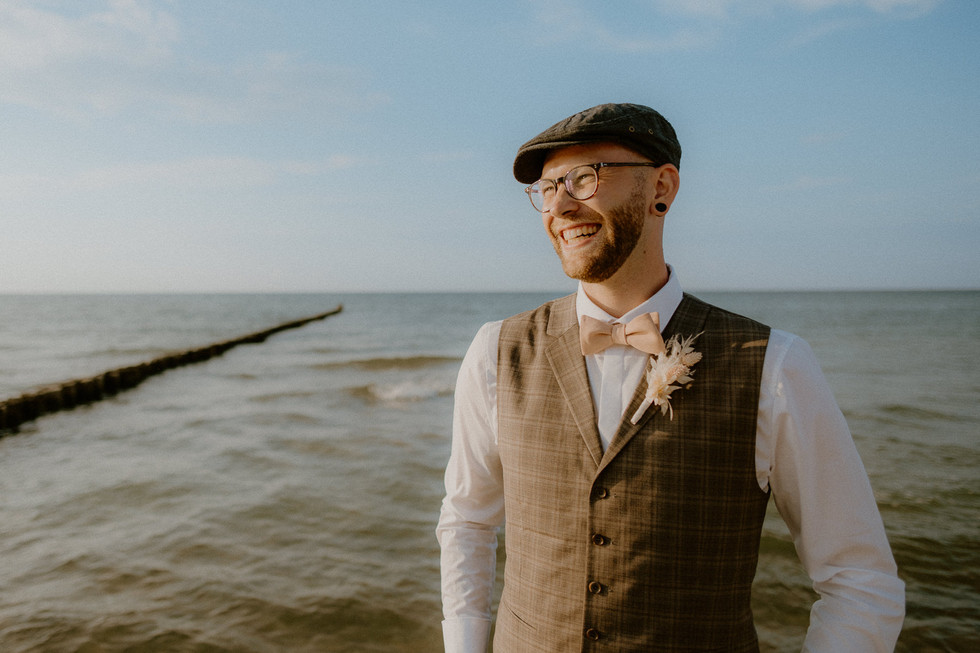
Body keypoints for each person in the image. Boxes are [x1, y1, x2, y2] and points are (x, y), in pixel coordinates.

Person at [436, 103, 905, 652]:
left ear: (662, 186)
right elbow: (467, 522)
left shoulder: (775, 363)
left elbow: (859, 581)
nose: (559, 206)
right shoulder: (495, 350)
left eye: (584, 178)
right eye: (545, 188)